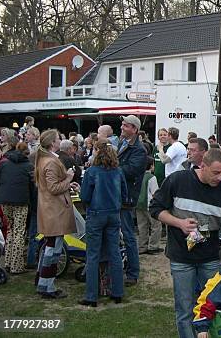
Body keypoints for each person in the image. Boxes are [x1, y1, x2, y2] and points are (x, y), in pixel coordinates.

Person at [150, 148, 221, 338]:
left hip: (211, 258)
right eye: (216, 173)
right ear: (202, 166)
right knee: (185, 309)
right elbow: (155, 208)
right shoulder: (178, 180)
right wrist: (179, 223)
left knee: (212, 305)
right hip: (181, 257)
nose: (220, 177)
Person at [79, 139, 128, 307]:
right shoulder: (118, 171)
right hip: (113, 214)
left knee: (93, 255)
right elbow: (124, 193)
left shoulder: (92, 172)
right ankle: (117, 292)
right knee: (114, 253)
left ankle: (91, 296)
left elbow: (84, 196)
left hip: (96, 213)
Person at [35, 129, 78, 299]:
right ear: (53, 143)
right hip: (55, 211)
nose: (61, 140)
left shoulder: (45, 158)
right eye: (59, 138)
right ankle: (47, 287)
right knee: (52, 251)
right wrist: (68, 178)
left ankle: (43, 283)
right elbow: (53, 188)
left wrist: (68, 183)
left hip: (51, 210)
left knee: (50, 248)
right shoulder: (50, 161)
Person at [117, 115, 148, 287]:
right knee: (122, 234)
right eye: (122, 124)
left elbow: (130, 171)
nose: (122, 127)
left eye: (126, 125)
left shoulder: (139, 150)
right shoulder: (123, 144)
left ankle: (133, 273)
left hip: (127, 197)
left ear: (134, 129)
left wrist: (110, 167)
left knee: (128, 235)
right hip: (119, 195)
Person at [0, 142, 33, 274]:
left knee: (10, 230)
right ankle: (16, 266)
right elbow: (32, 188)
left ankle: (8, 262)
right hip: (21, 202)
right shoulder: (29, 166)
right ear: (26, 153)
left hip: (4, 200)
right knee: (19, 232)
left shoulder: (4, 163)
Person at [137, 157, 162, 255]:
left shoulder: (138, 175)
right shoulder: (152, 177)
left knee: (142, 226)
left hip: (139, 205)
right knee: (156, 226)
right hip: (149, 205)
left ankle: (142, 246)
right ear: (151, 166)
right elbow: (155, 193)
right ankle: (153, 246)